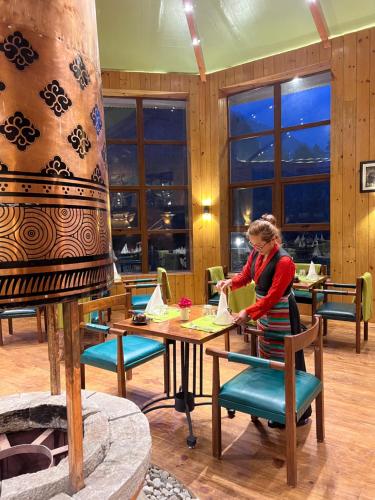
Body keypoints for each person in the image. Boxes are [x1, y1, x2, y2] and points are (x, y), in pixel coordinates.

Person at [217, 213, 311, 428]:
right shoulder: (257, 254)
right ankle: (271, 404)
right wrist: (229, 282)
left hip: (281, 313)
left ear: (273, 241)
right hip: (264, 312)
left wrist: (247, 312)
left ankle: (292, 412)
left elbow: (273, 297)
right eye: (252, 244)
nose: (255, 248)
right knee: (268, 356)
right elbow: (245, 276)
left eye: (259, 245)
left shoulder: (285, 261)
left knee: (285, 360)